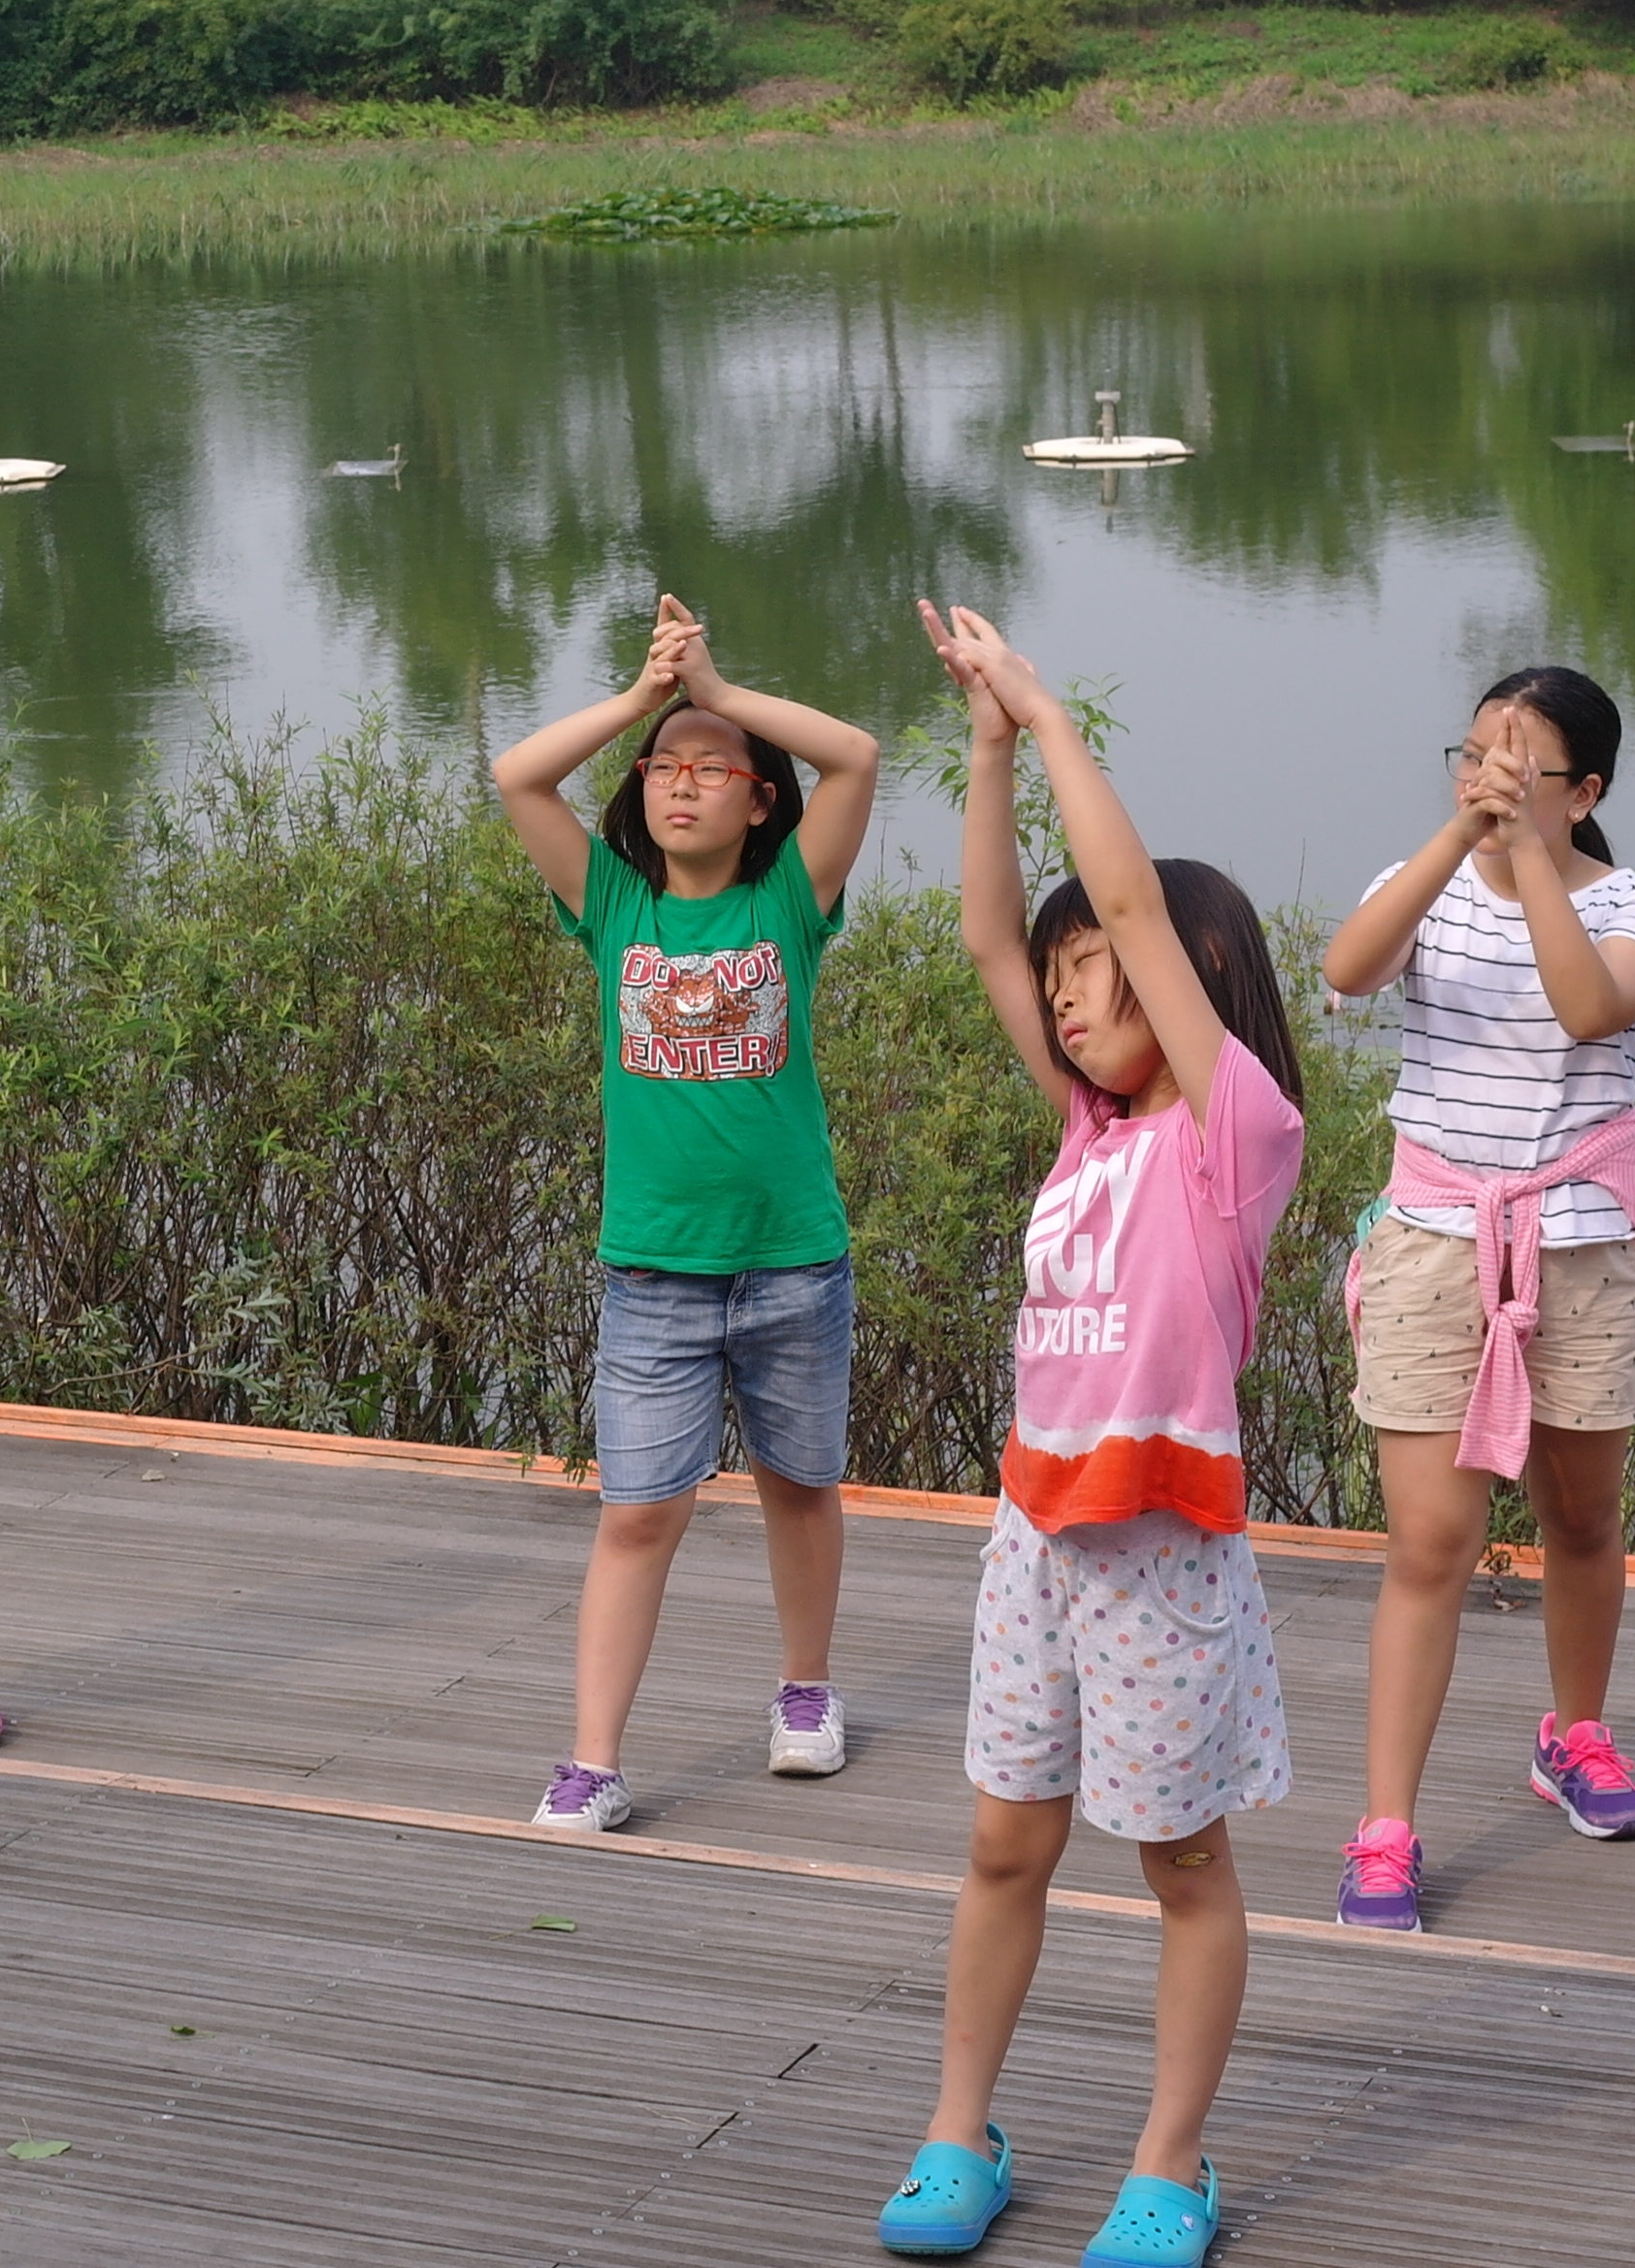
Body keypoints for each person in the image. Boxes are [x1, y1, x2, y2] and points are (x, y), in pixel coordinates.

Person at [877, 607, 1300, 2268]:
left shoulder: (1227, 1140)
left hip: (1163, 1551)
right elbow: (992, 931)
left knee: (1178, 1861)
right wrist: (980, 748)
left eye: (1096, 971)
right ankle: (955, 2126)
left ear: (1192, 983)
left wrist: (1048, 715)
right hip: (1035, 1537)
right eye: (1059, 984)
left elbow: (1122, 892)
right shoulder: (1087, 1132)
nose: (1062, 994)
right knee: (1002, 1841)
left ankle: (1169, 2162)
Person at [495, 592, 879, 1834]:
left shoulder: (788, 904)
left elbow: (857, 754)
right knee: (638, 1509)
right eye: (666, 769)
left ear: (760, 799)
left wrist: (716, 677)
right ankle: (592, 1760)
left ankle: (806, 1693)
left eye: (716, 773)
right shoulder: (614, 902)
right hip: (653, 1270)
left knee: (798, 1481)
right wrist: (642, 699)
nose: (683, 786)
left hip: (791, 1260)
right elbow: (517, 776)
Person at [1314, 666, 1635, 1931]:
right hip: (1432, 1240)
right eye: (1473, 755)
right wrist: (1457, 841)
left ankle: (1574, 1735)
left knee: (1582, 1520)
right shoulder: (1418, 885)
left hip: (1581, 1247)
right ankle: (1384, 1830)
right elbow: (1348, 970)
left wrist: (1530, 857)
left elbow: (1590, 1009)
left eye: (1522, 766)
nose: (1488, 781)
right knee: (1430, 1543)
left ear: (1584, 794)